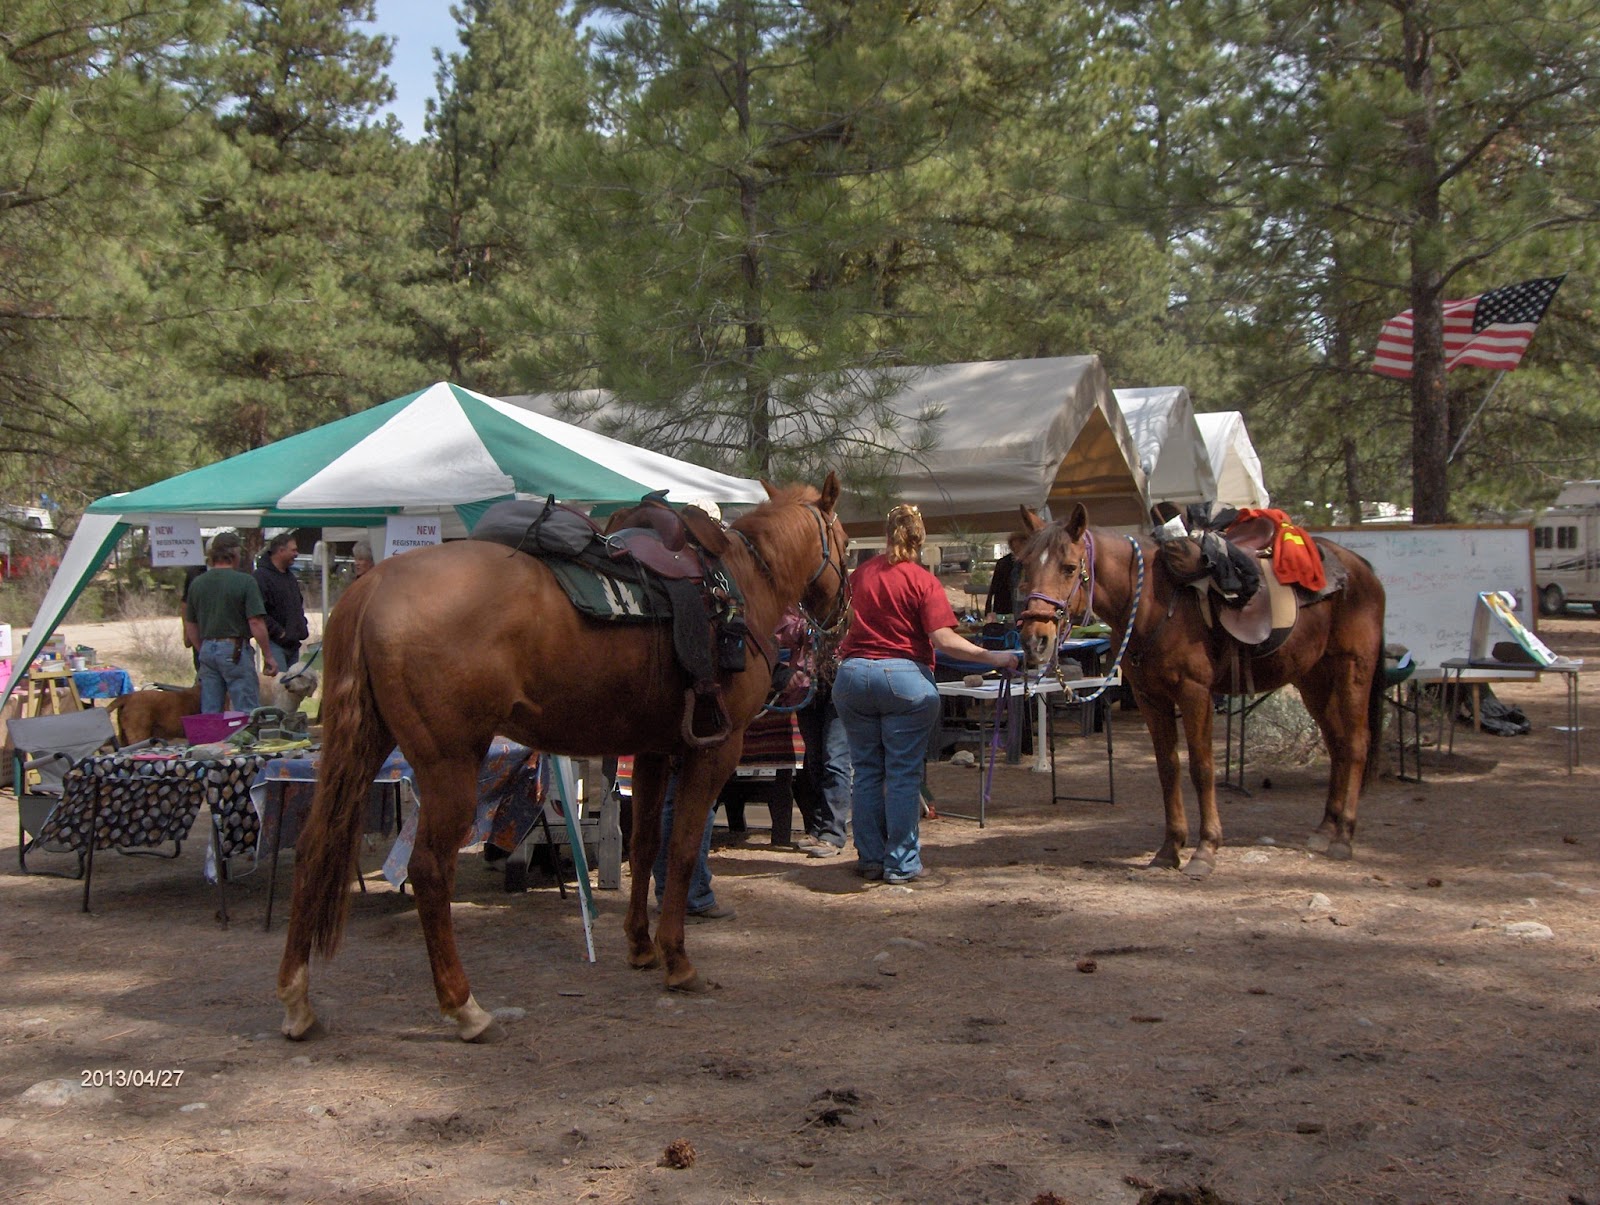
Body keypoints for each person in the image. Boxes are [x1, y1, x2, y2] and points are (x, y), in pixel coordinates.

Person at [833, 503, 1021, 885]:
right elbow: (943, 639)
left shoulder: (858, 577)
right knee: (902, 774)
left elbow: (839, 627)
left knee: (866, 772)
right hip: (904, 679)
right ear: (921, 539)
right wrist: (994, 656)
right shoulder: (923, 581)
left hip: (852, 677)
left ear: (886, 535)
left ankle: (869, 858)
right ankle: (900, 863)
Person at [183, 531, 276, 714]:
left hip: (208, 649)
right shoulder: (245, 582)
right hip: (234, 649)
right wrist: (268, 655)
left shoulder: (198, 583)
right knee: (246, 709)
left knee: (211, 710)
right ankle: (245, 741)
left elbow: (190, 624)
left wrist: (203, 648)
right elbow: (256, 622)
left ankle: (214, 742)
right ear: (234, 554)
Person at [794, 624, 853, 857]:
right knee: (815, 760)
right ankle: (818, 827)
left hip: (841, 685)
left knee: (835, 758)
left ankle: (833, 833)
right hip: (807, 686)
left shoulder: (848, 603)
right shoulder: (798, 605)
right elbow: (783, 632)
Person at [254, 532, 309, 672]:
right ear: (280, 550)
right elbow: (258, 612)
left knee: (292, 689)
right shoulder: (261, 576)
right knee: (278, 688)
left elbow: (297, 606)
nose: (296, 554)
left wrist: (300, 627)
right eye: (293, 550)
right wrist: (279, 632)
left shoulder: (290, 577)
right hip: (274, 645)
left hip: (293, 644)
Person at [983, 531, 1029, 620]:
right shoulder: (1004, 563)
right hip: (1008, 607)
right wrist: (989, 610)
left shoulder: (1035, 563)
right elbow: (994, 588)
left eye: (1020, 548)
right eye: (1015, 548)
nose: (1018, 552)